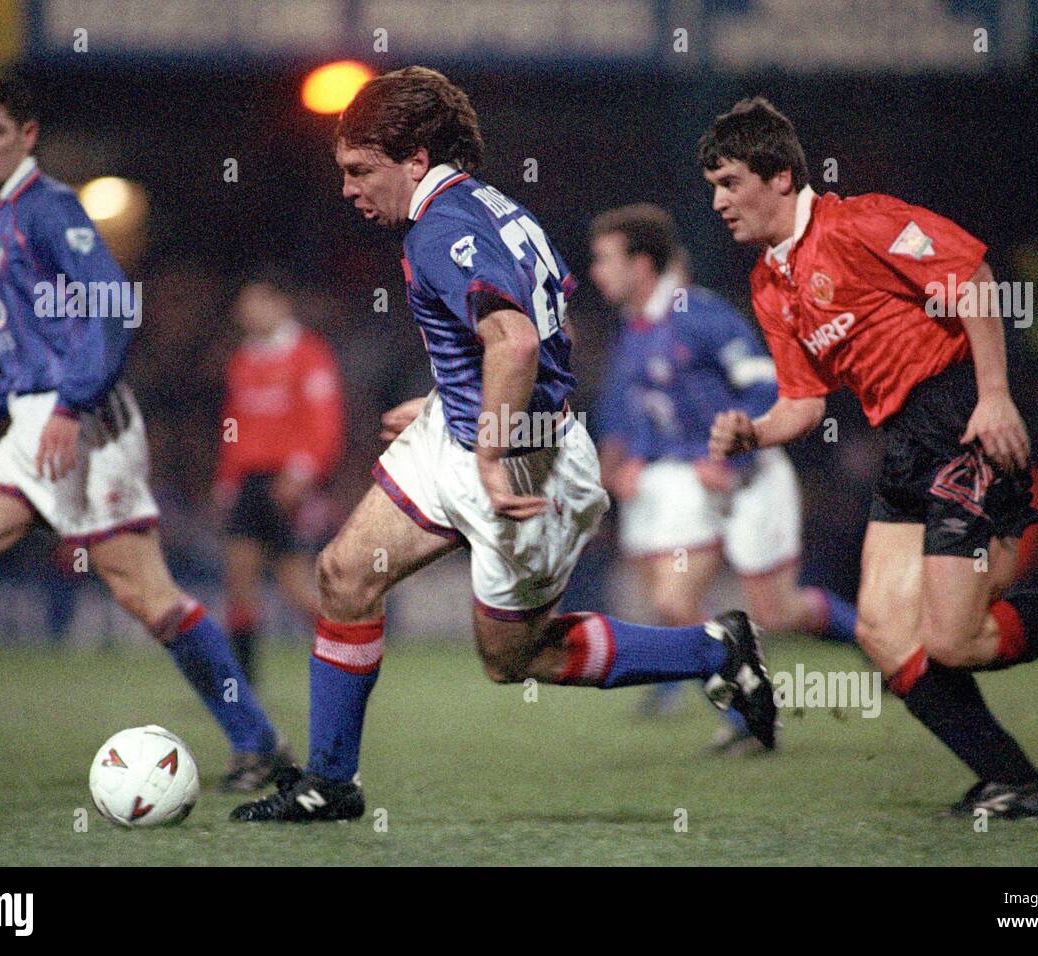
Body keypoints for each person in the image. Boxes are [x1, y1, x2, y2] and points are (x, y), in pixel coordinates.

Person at [231, 67, 776, 823]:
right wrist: (452, 401)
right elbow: (554, 336)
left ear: (415, 158)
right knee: (344, 574)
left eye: (361, 171)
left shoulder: (442, 229)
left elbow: (516, 343)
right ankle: (332, 781)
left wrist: (490, 448)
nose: (350, 189)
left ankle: (715, 650)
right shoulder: (489, 207)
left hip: (527, 463)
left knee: (516, 659)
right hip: (466, 435)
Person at [701, 97, 1038, 818]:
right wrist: (753, 432)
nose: (718, 201)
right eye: (712, 185)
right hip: (904, 444)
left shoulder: (859, 222)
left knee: (955, 641)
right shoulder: (772, 284)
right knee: (882, 633)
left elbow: (973, 277)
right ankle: (1015, 780)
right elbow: (803, 404)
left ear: (778, 176)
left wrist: (993, 395)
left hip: (959, 418)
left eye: (730, 182)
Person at [0, 74, 290, 797]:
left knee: (150, 598)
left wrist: (70, 406)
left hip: (86, 424)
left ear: (26, 136)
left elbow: (111, 313)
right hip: (32, 420)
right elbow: (29, 342)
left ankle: (259, 743)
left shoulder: (50, 209)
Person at [589, 203, 856, 750]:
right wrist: (628, 456)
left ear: (641, 265)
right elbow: (641, 409)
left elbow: (762, 386)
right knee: (672, 604)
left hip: (751, 477)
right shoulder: (636, 327)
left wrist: (730, 456)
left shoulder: (699, 314)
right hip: (689, 482)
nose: (595, 271)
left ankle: (880, 642)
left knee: (777, 612)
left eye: (604, 259)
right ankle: (746, 719)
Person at [215, 277, 345, 683]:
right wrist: (227, 478)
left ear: (279, 304)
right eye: (243, 305)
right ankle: (242, 685)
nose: (246, 312)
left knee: (295, 586)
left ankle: (344, 653)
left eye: (254, 303)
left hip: (289, 482)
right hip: (250, 483)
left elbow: (325, 421)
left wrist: (303, 472)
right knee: (238, 580)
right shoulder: (243, 359)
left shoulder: (308, 354)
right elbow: (234, 425)